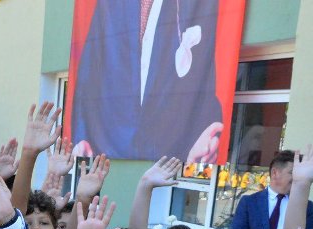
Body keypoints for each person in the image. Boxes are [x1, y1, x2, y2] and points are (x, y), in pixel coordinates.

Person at [69, 0, 224, 163]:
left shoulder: (199, 4)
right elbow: (89, 71)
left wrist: (202, 135)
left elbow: (204, 76)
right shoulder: (111, 4)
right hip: (110, 140)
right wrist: (82, 137)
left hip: (174, 148)